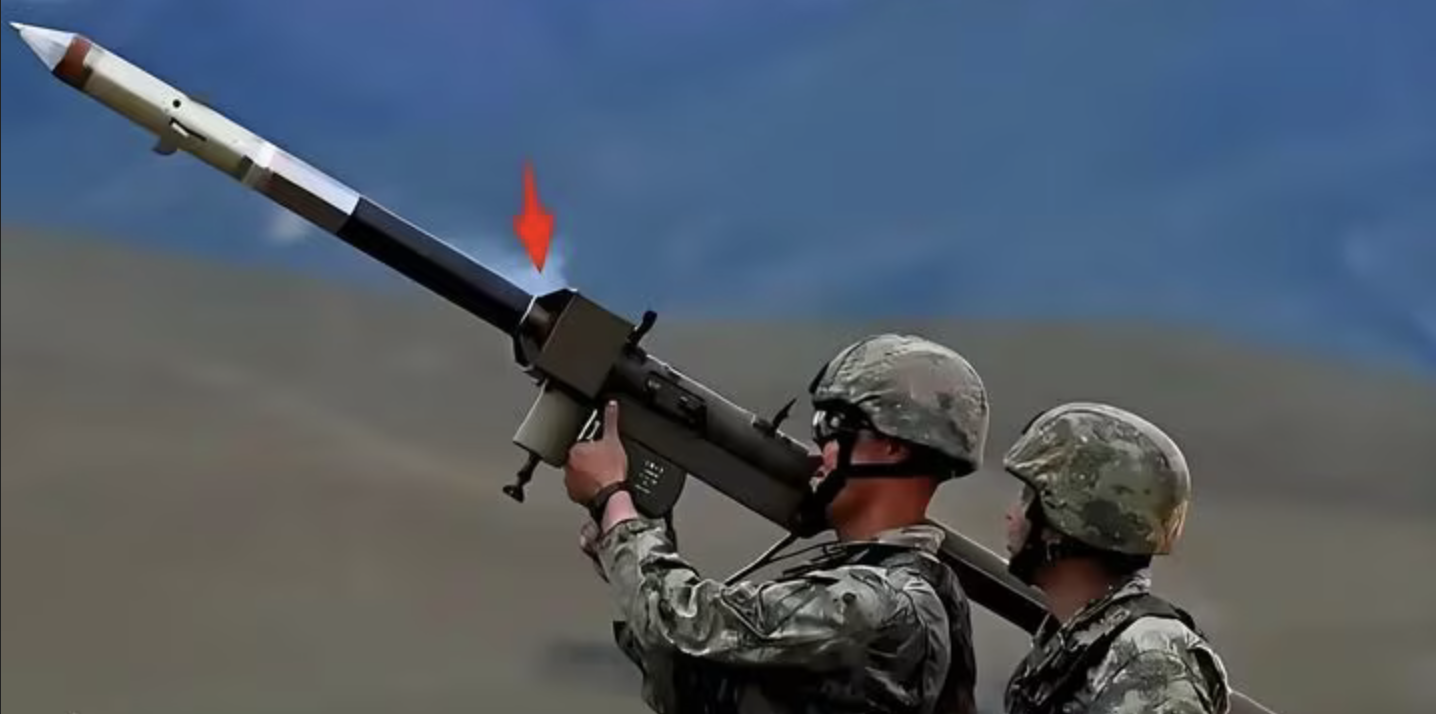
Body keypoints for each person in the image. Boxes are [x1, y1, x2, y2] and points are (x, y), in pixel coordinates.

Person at [562, 333, 989, 714]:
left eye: (833, 426)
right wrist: (624, 549)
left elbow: (686, 627)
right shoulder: (886, 590)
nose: (818, 449)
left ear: (894, 446)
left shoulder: (883, 603)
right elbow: (696, 676)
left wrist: (613, 501)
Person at [999, 401, 1232, 714]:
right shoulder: (1076, 647)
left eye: (1027, 496)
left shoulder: (1150, 666)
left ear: (1065, 522)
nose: (1010, 514)